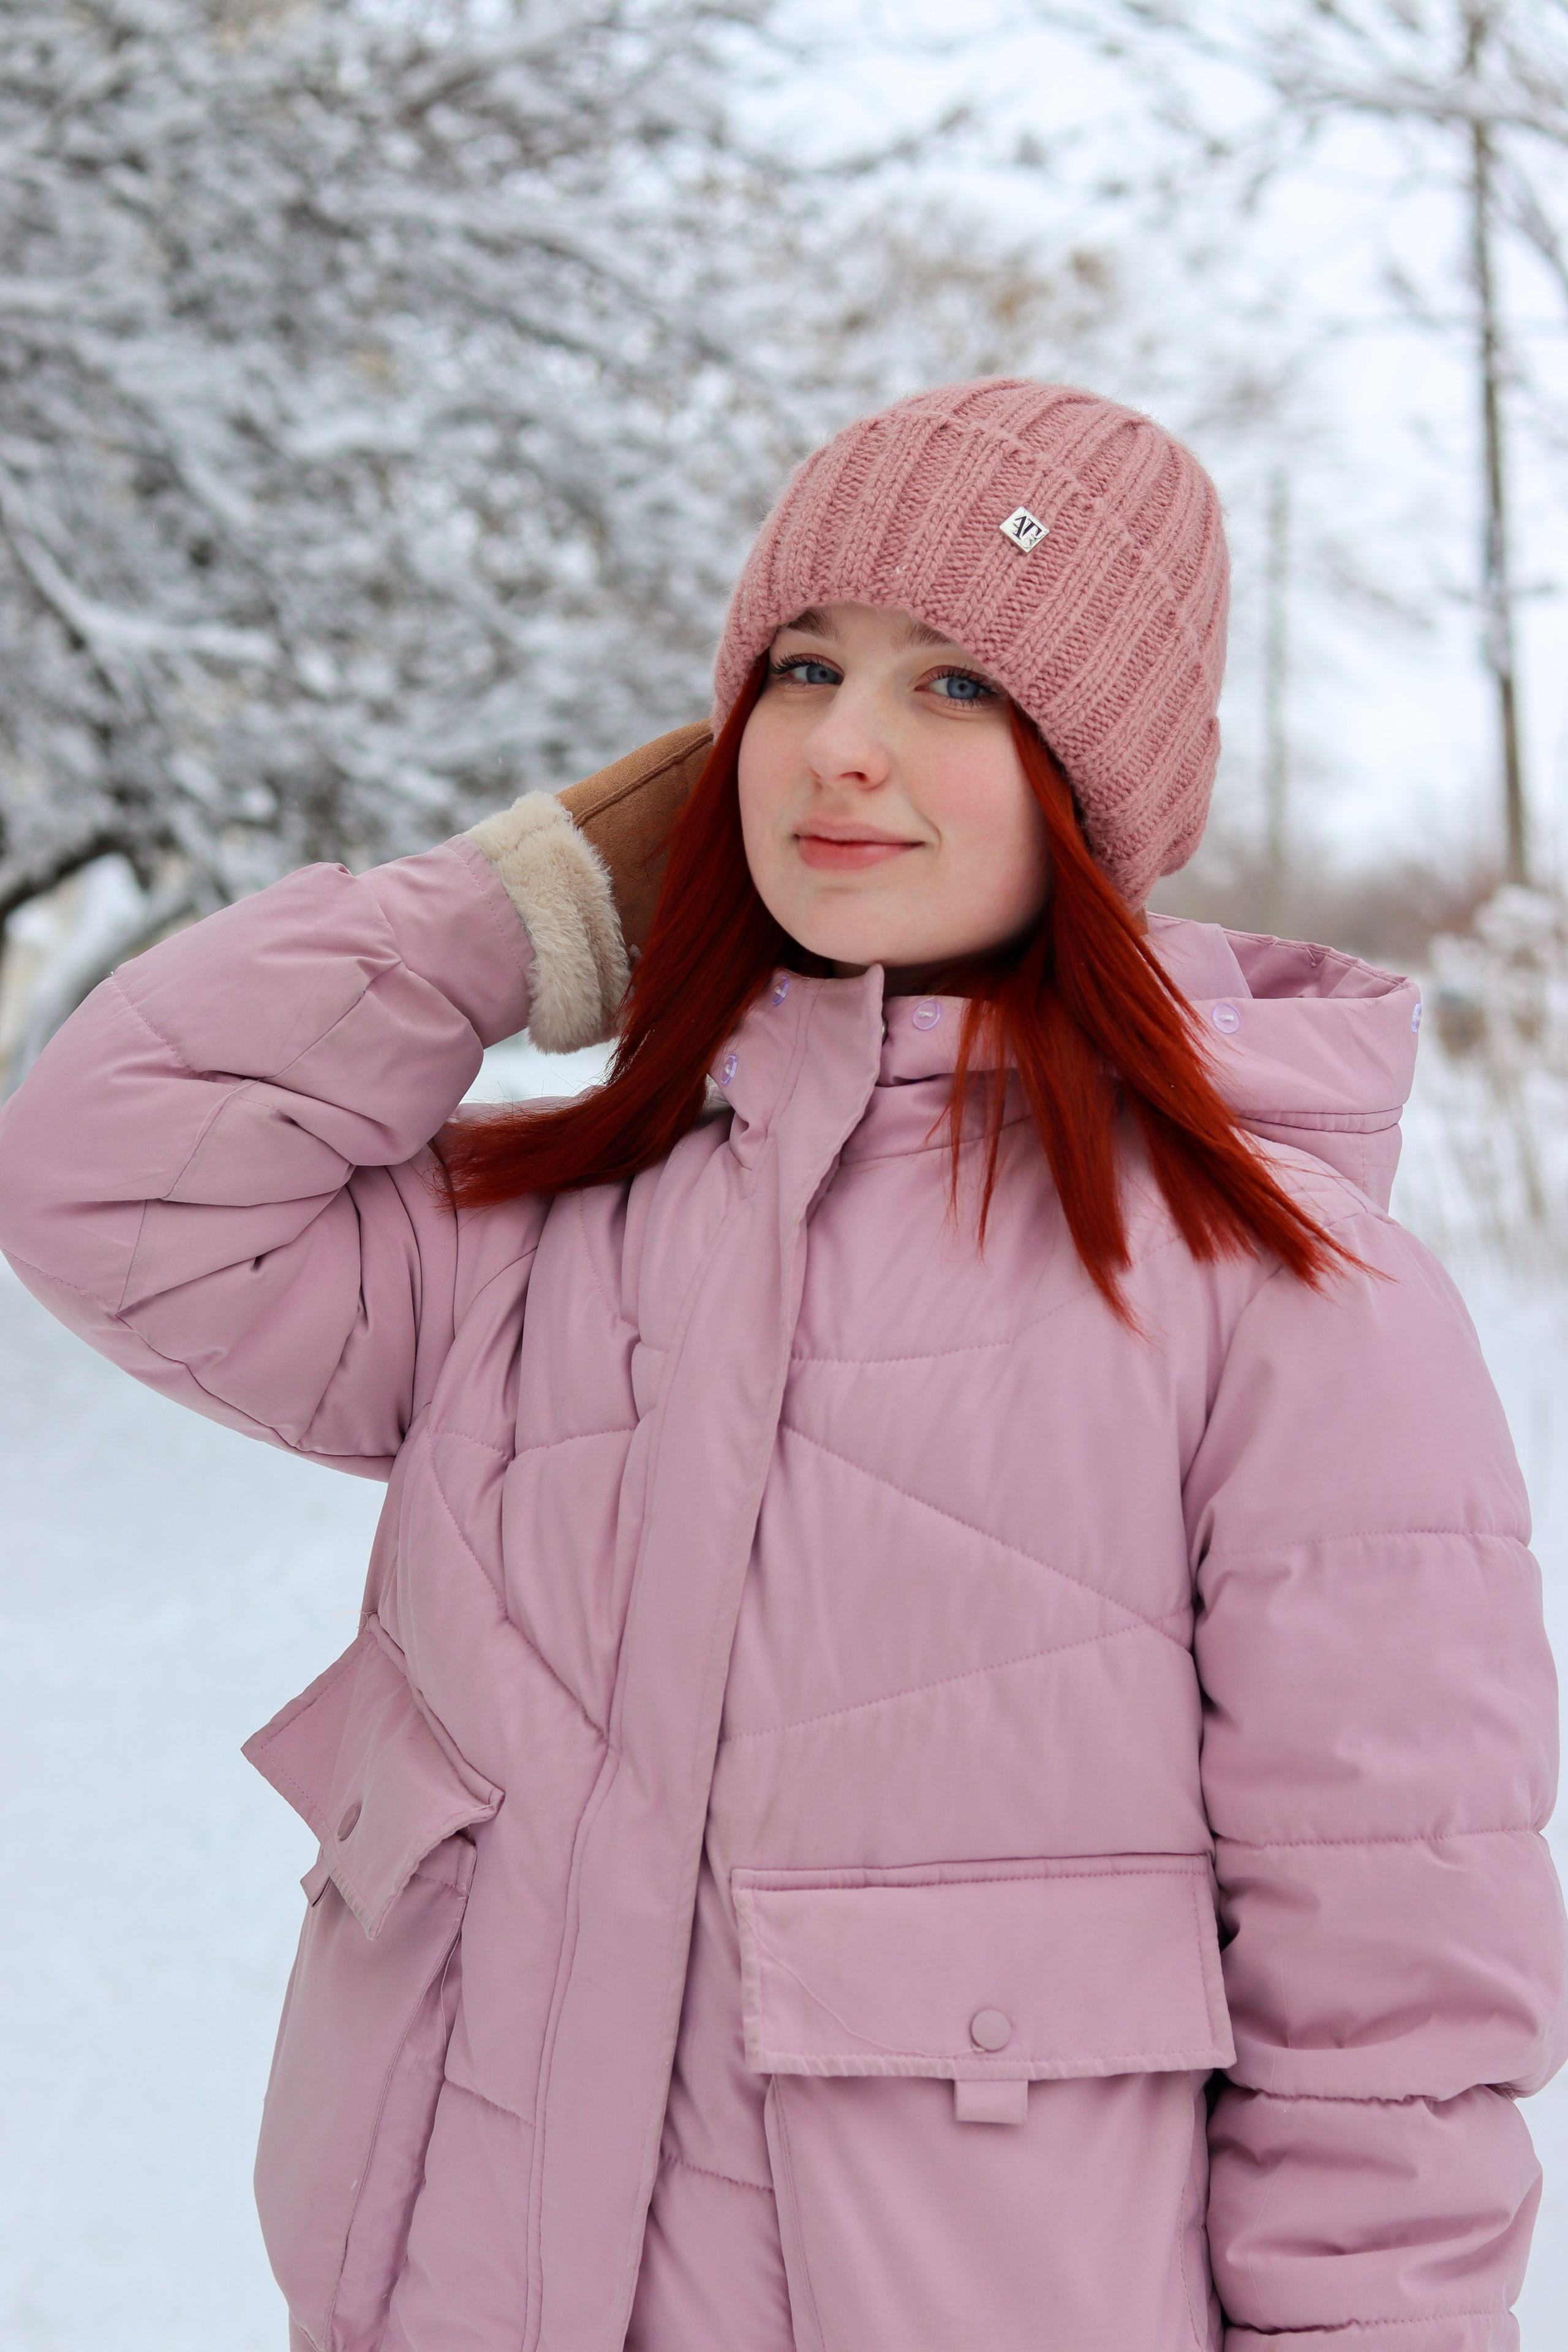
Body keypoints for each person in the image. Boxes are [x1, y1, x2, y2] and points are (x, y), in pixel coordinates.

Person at [1, 379, 1563, 2352]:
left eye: (959, 689)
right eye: (803, 668)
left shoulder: (1284, 1293)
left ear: (1101, 786)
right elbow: (104, 1177)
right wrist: (534, 901)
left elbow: (1393, 2008)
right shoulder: (554, 1230)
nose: (841, 746)